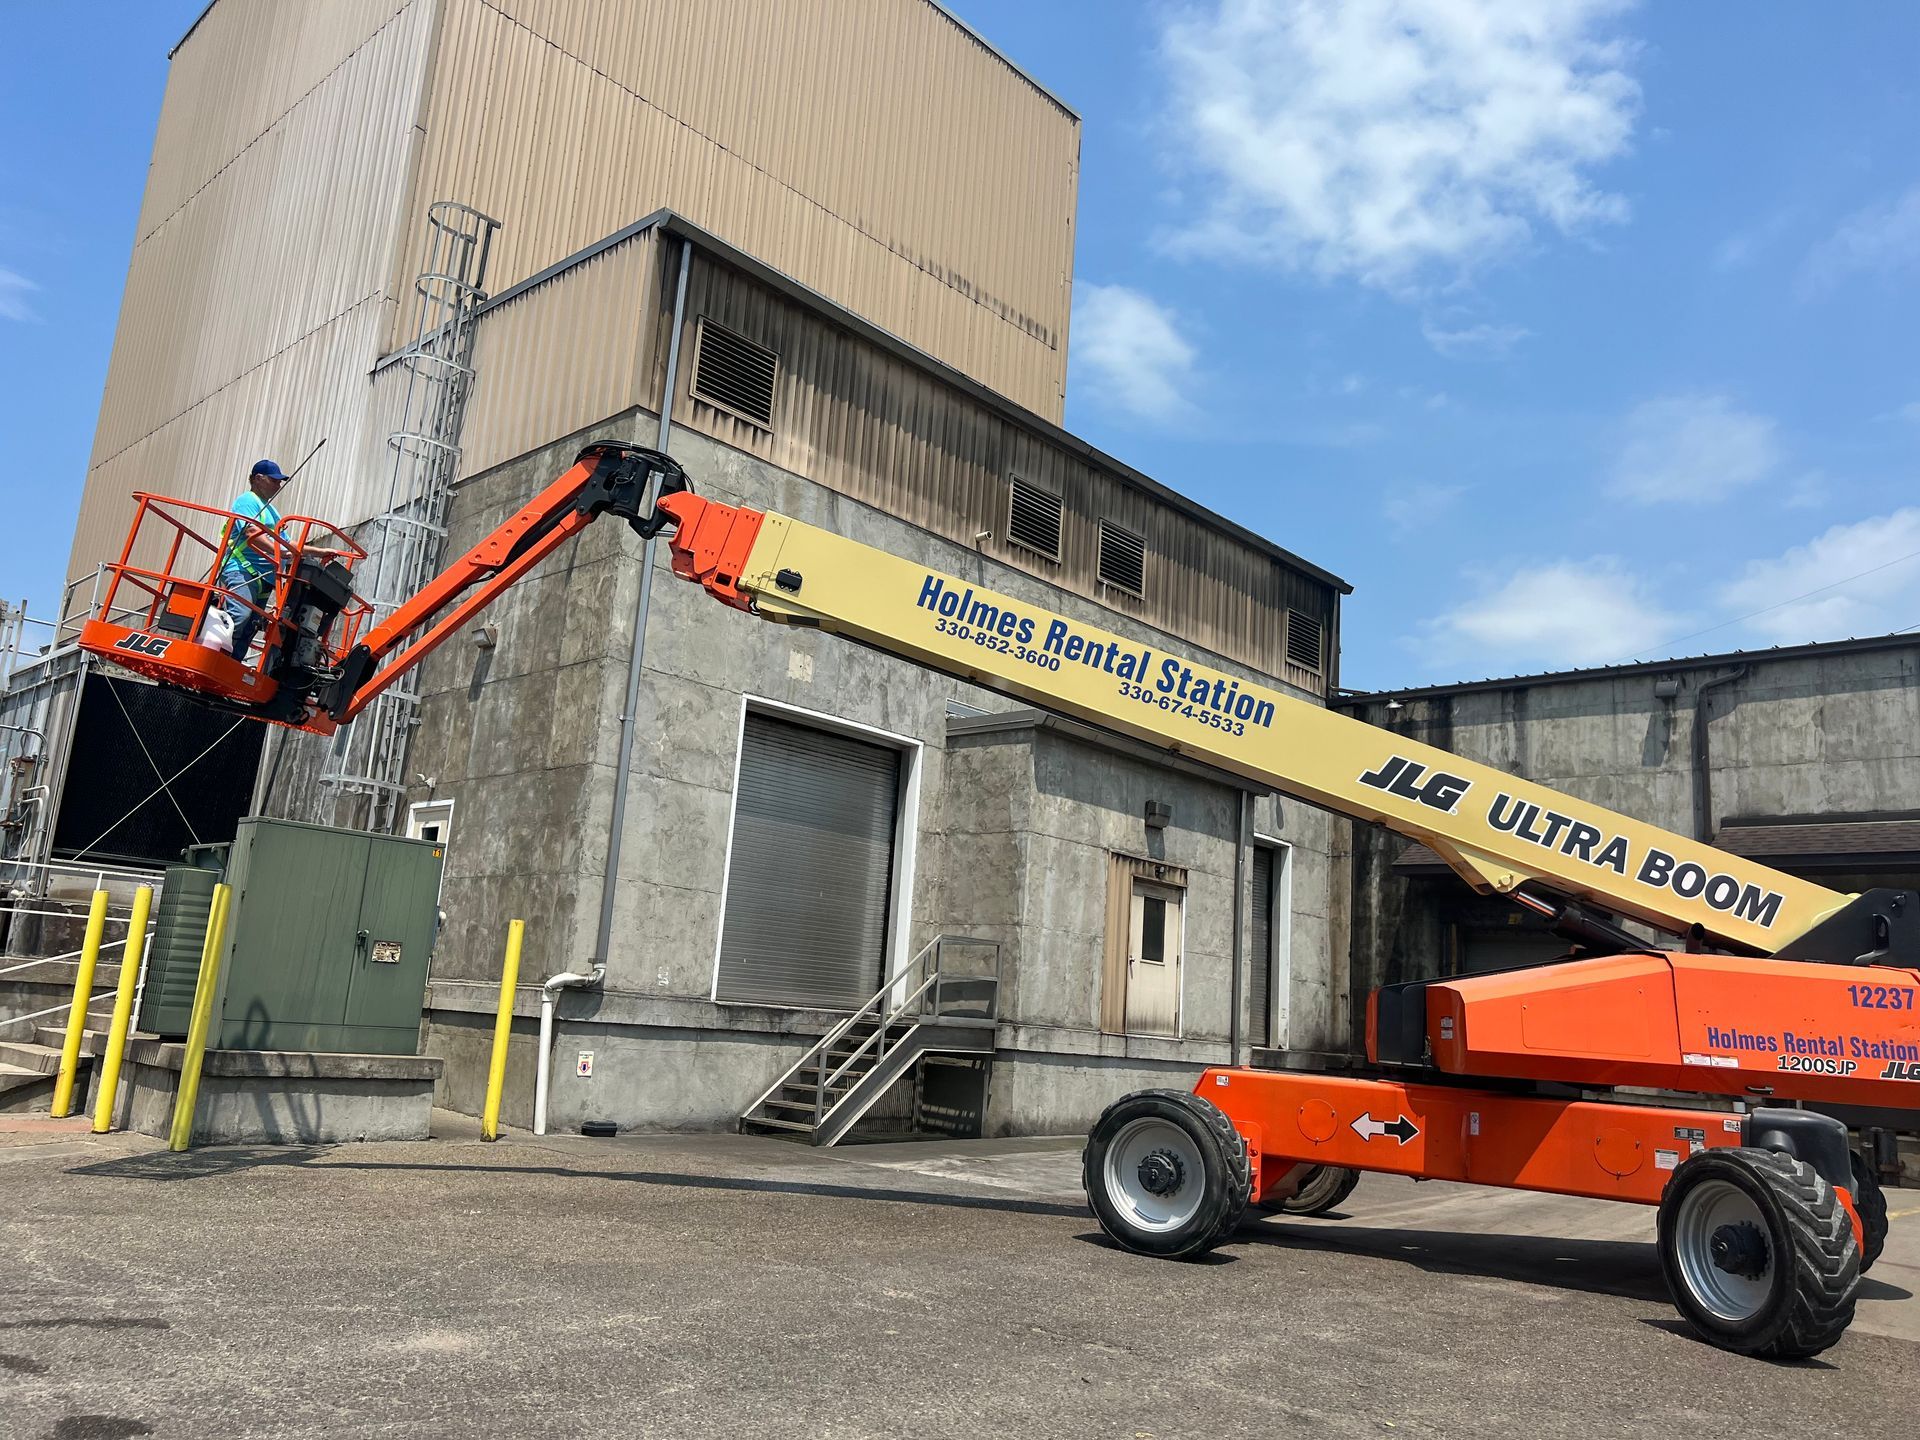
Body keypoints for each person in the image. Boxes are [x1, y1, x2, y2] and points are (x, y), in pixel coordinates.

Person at [217, 459, 297, 661]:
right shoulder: (247, 501)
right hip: (241, 569)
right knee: (240, 615)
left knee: (251, 625)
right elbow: (251, 532)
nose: (278, 485)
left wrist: (317, 552)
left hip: (264, 577)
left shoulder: (272, 511)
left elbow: (288, 544)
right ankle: (215, 656)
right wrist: (281, 552)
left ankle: (230, 667)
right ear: (258, 479)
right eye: (274, 480)